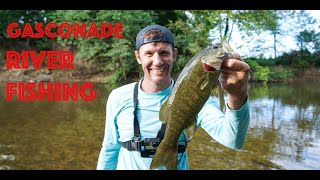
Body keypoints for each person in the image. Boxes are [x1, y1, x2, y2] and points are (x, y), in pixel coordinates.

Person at [96, 24, 250, 170]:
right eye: (149, 53)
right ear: (138, 57)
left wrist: (237, 93)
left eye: (164, 53)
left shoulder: (198, 99)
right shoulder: (118, 97)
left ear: (174, 54)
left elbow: (233, 140)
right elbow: (109, 150)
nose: (157, 61)